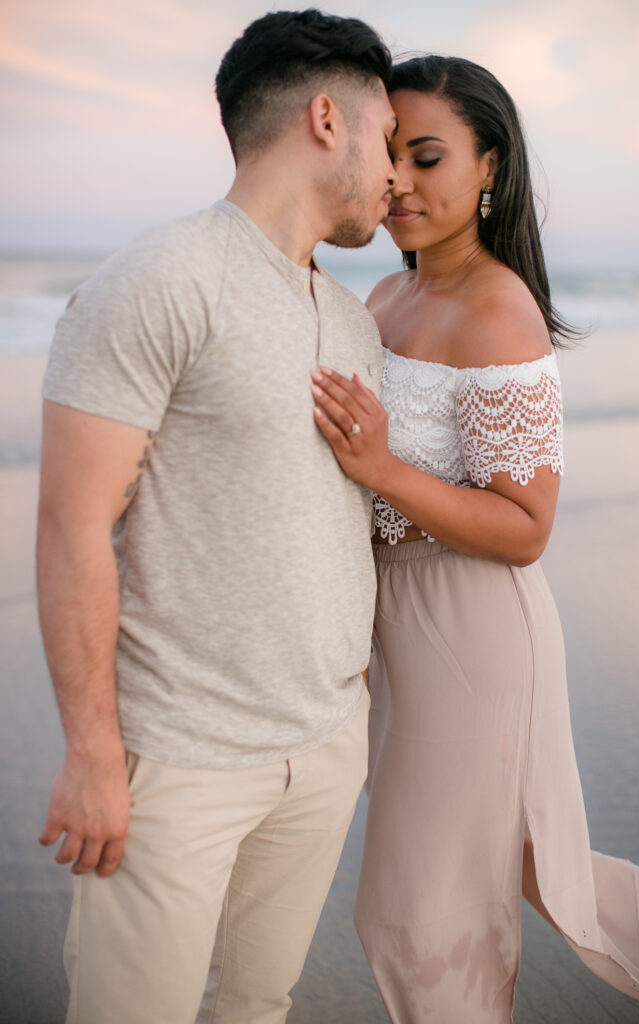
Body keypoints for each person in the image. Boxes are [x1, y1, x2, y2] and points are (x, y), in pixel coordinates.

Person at [36, 10, 398, 1023]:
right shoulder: (161, 278)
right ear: (326, 118)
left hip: (323, 746)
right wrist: (95, 756)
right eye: (384, 137)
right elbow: (69, 527)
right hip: (180, 757)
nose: (395, 177)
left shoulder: (352, 321)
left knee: (258, 1003)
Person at [310, 55, 639, 1022]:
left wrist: (384, 469)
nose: (398, 182)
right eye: (387, 157)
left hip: (471, 625)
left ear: (490, 167)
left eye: (426, 157)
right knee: (514, 865)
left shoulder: (496, 308)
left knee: (424, 910)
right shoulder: (387, 300)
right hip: (396, 628)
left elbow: (527, 529)